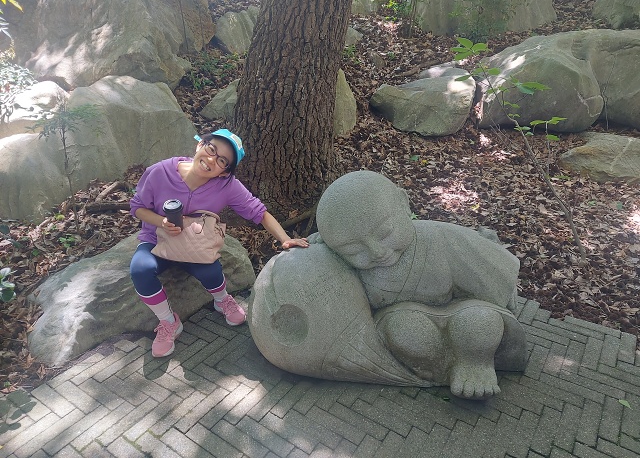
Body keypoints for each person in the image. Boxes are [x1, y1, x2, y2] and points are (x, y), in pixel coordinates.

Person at [314, 170, 522, 398]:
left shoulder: (441, 238)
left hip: (462, 313)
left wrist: (503, 286)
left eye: (385, 233)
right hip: (405, 326)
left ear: (404, 204)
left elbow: (491, 271)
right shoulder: (343, 260)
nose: (377, 252)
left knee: (480, 322)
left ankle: (475, 365)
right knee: (404, 329)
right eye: (354, 250)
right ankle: (442, 368)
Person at [129, 129, 309, 358]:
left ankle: (222, 300)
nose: (212, 159)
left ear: (225, 172)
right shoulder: (160, 172)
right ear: (200, 145)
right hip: (156, 240)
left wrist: (285, 239)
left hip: (195, 245)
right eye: (211, 149)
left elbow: (259, 212)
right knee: (140, 270)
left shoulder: (227, 186)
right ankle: (168, 321)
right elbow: (137, 207)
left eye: (222, 161)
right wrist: (161, 222)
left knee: (211, 270)